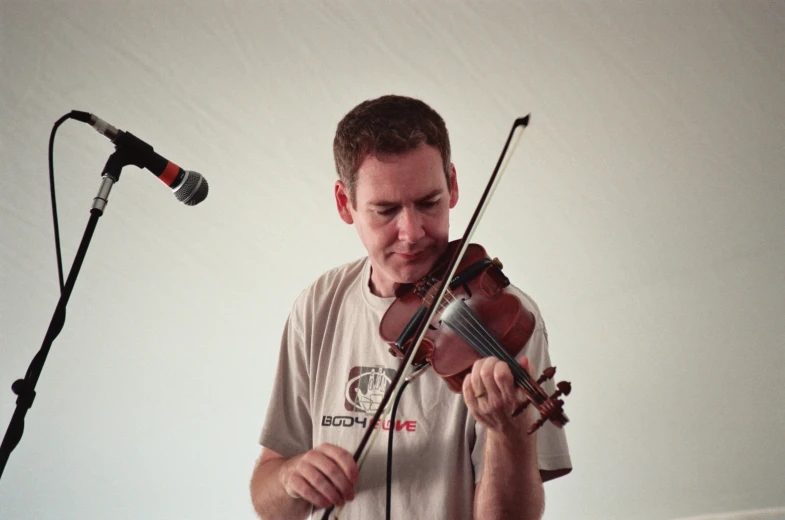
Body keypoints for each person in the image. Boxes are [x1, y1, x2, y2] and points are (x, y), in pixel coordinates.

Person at [249, 94, 572, 520]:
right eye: (385, 210)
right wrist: (292, 477)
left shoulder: (505, 318)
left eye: (429, 203)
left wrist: (509, 434)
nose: (412, 232)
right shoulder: (319, 306)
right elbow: (267, 497)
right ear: (345, 204)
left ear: (453, 185)